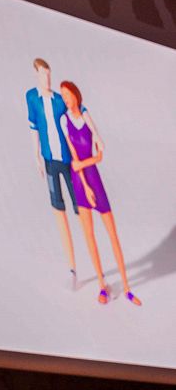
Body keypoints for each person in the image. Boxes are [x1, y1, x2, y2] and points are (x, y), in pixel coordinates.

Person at [58, 82, 141, 306]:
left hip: (94, 177)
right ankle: (102, 286)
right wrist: (84, 186)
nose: (66, 99)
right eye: (63, 96)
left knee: (112, 234)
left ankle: (126, 287)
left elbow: (99, 153)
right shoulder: (64, 120)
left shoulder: (86, 116)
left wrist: (86, 164)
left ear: (75, 94)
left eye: (68, 94)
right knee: (90, 237)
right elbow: (74, 158)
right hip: (80, 182)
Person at [25, 58, 79, 277]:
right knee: (59, 209)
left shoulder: (59, 100)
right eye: (42, 74)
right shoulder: (32, 98)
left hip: (67, 160)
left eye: (49, 73)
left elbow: (74, 119)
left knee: (79, 207)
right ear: (36, 75)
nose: (46, 78)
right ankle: (72, 264)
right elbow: (33, 126)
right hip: (49, 160)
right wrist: (36, 155)